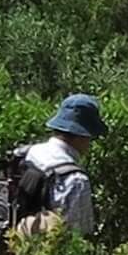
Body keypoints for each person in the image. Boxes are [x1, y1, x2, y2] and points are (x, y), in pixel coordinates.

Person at [12, 94, 104, 244]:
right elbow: (78, 238)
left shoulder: (27, 153)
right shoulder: (76, 180)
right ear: (82, 136)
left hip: (10, 248)